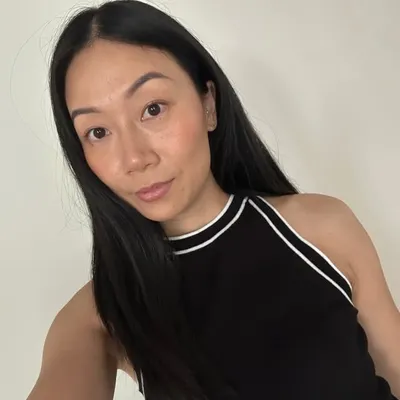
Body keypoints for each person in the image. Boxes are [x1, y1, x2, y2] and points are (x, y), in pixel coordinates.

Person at [27, 1, 400, 399]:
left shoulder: (322, 229)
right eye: (98, 132)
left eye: (153, 109)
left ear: (208, 104)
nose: (134, 158)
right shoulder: (101, 314)